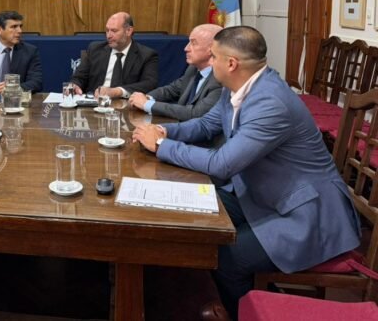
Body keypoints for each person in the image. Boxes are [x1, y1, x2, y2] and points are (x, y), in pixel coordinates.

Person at [131, 26, 361, 320]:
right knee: (196, 212)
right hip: (261, 194)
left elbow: (222, 163)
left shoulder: (270, 103)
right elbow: (206, 125)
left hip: (307, 213)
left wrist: (161, 145)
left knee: (227, 258)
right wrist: (164, 131)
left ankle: (248, 311)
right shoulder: (237, 87)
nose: (210, 62)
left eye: (213, 56)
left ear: (231, 64)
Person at [129, 23, 222, 120]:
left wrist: (147, 104)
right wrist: (147, 98)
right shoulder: (193, 69)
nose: (186, 48)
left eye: (193, 43)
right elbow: (171, 90)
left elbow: (195, 113)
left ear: (212, 49)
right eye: (188, 42)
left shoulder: (220, 80)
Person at [70, 12, 158, 98]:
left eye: (114, 31)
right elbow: (79, 77)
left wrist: (117, 91)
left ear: (128, 31)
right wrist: (75, 85)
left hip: (126, 104)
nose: (109, 36)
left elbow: (149, 84)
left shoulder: (146, 55)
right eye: (107, 30)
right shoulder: (95, 49)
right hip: (95, 102)